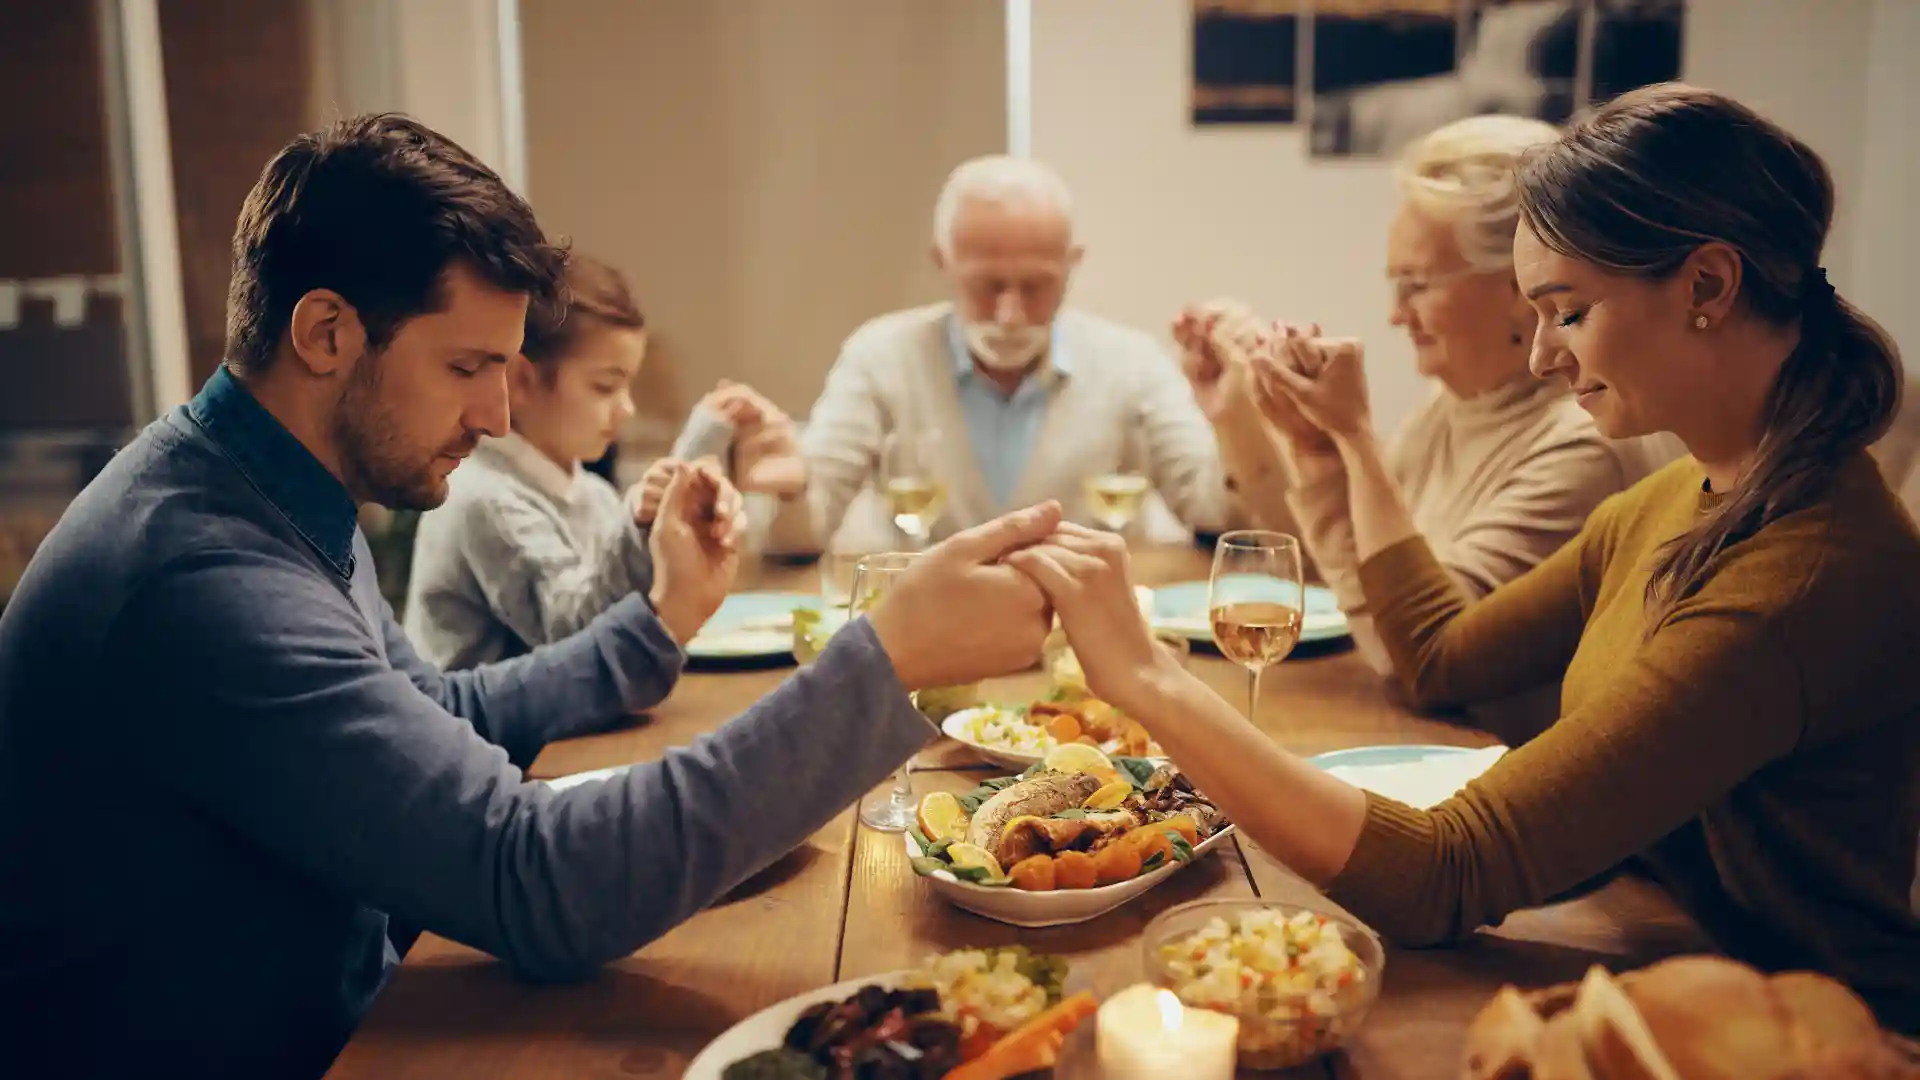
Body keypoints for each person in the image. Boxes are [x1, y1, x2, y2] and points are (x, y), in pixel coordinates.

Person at [0, 114, 1059, 1077]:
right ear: (325, 333)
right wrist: (887, 658)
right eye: (469, 366)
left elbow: (439, 719)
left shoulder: (269, 488)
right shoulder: (202, 576)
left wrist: (654, 626)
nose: (501, 416)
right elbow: (539, 882)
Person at [1016, 85, 1920, 1032]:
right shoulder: (1678, 497)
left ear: (1707, 286)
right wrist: (1330, 452)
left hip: (1798, 1035)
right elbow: (1443, 655)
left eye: (1567, 313)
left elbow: (1445, 875)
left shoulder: (1797, 577)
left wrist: (1151, 680)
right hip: (1654, 962)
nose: (1541, 359)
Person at [1179, 114, 1673, 730]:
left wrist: (1351, 438)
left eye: (1416, 284)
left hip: (1495, 779)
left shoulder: (1582, 447)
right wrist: (1260, 424)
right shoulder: (1452, 410)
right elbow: (1343, 579)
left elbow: (1419, 659)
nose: (1395, 315)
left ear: (1521, 285)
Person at [755, 154, 1293, 555]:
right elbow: (803, 536)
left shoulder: (1132, 362)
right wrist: (791, 489)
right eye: (987, 285)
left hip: (1087, 645)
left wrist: (1236, 416)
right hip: (935, 639)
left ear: (1071, 263)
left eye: (1035, 286)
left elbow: (1219, 517)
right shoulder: (880, 357)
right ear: (943, 261)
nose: (1009, 314)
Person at [402, 254, 794, 669]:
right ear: (520, 381)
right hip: (484, 734)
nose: (626, 409)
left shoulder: (592, 494)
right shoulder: (484, 500)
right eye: (605, 386)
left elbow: (639, 611)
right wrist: (663, 498)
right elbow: (575, 636)